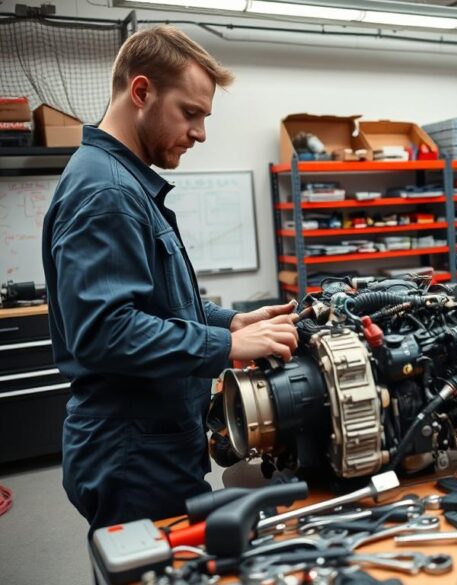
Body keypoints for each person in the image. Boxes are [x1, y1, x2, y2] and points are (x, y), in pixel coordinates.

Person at [41, 26, 299, 531]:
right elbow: (105, 331)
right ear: (142, 92)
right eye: (191, 112)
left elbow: (157, 305)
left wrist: (234, 321)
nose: (200, 132)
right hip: (134, 454)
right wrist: (225, 345)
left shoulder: (124, 183)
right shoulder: (106, 192)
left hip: (150, 443)